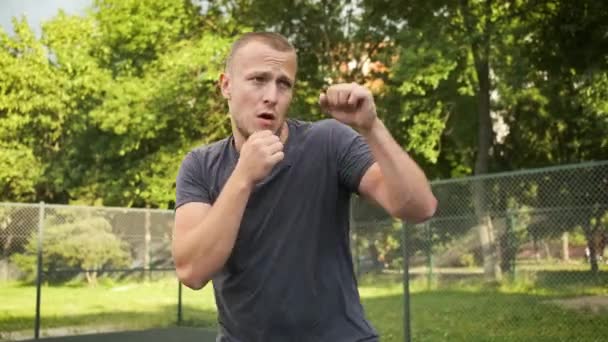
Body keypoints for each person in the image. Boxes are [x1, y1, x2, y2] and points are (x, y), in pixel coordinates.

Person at [172, 31, 437, 342]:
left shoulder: (329, 142)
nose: (271, 95)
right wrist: (243, 176)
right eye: (258, 79)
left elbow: (420, 207)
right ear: (226, 85)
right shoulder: (201, 165)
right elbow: (192, 271)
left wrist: (371, 127)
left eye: (283, 83)